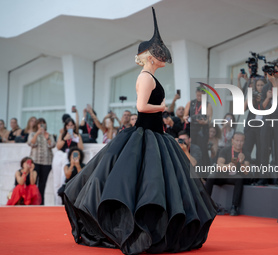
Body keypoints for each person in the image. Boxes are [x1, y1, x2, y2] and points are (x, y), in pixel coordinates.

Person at [63, 8, 216, 255]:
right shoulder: (145, 77)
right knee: (142, 183)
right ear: (149, 57)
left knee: (155, 184)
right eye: (158, 53)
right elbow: (141, 107)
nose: (162, 57)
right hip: (145, 133)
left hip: (156, 135)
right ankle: (137, 230)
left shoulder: (149, 76)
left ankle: (155, 229)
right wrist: (163, 107)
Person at [205, 132, 250, 216]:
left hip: (234, 177)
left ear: (244, 142)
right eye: (237, 140)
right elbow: (219, 165)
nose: (239, 143)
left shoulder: (245, 153)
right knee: (211, 176)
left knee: (239, 178)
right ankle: (205, 203)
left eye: (241, 141)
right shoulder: (225, 150)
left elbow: (246, 172)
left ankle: (234, 207)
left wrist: (242, 162)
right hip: (222, 175)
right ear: (232, 141)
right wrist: (227, 166)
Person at [53, 118, 83, 205]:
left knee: (63, 178)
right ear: (65, 126)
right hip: (61, 155)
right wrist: (65, 138)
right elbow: (58, 147)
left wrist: (76, 138)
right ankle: (57, 202)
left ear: (74, 126)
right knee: (57, 179)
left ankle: (64, 201)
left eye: (71, 125)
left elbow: (81, 149)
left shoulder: (77, 135)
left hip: (70, 157)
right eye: (68, 125)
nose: (70, 127)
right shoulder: (62, 134)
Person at [28, 118, 56, 205]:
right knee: (33, 183)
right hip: (35, 162)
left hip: (46, 163)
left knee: (42, 184)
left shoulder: (49, 135)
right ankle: (31, 202)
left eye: (43, 123)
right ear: (37, 125)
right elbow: (31, 143)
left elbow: (52, 145)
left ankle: (41, 204)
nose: (42, 125)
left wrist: (47, 138)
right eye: (40, 124)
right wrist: (37, 133)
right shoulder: (33, 134)